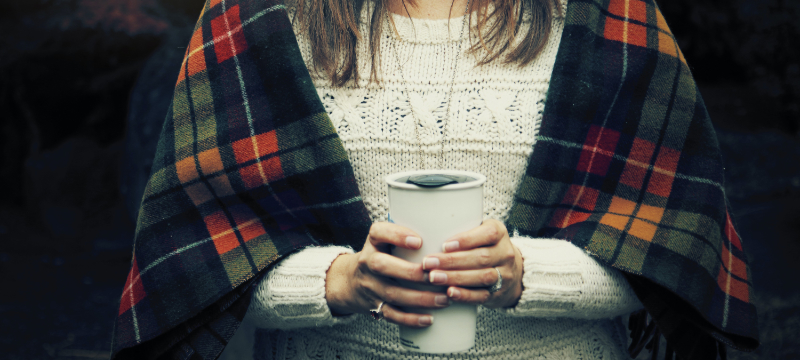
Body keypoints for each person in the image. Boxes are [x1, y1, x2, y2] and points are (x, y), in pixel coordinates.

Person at [111, 0, 759, 359]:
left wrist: (523, 275)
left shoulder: (610, 17)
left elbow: (678, 254)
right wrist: (338, 282)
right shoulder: (252, 16)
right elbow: (189, 264)